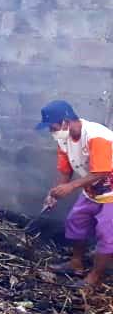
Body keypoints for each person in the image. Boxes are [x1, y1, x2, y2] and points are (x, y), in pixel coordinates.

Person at [36, 100, 113, 287]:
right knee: (76, 220)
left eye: (53, 127)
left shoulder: (97, 136)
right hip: (92, 189)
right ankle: (76, 263)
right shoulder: (64, 139)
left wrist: (71, 187)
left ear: (65, 121)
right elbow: (65, 170)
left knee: (106, 233)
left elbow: (101, 171)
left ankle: (94, 278)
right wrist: (53, 194)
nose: (51, 132)